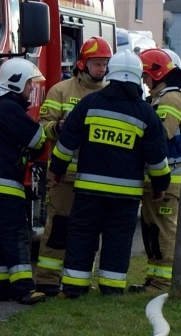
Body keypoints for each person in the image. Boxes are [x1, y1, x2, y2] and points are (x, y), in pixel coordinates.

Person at [48, 50, 171, 297]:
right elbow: (158, 158)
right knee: (118, 239)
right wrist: (160, 186)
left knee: (82, 236)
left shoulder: (89, 104)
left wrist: (57, 171)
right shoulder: (146, 114)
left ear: (111, 73)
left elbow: (66, 143)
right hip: (126, 196)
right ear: (137, 77)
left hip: (88, 191)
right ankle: (112, 289)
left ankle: (74, 288)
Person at [33, 36, 112, 290]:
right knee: (58, 227)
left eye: (105, 64)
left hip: (95, 178)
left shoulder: (110, 93)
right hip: (63, 176)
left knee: (89, 231)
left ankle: (80, 281)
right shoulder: (61, 91)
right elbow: (42, 129)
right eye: (97, 63)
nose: (101, 69)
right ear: (82, 63)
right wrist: (58, 127)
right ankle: (47, 280)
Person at [0, 57, 48, 304]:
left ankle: (2, 288)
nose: (32, 88)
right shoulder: (10, 109)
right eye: (29, 83)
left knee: (3, 237)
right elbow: (37, 139)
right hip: (8, 184)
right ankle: (24, 290)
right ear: (17, 82)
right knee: (17, 235)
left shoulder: (2, 107)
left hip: (0, 184)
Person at [137, 47, 181, 293]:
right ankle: (154, 280)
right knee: (152, 229)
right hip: (159, 178)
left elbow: (161, 137)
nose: (145, 82)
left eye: (146, 76)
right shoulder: (161, 97)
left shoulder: (170, 99)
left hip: (169, 179)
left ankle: (163, 283)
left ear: (156, 74)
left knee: (163, 230)